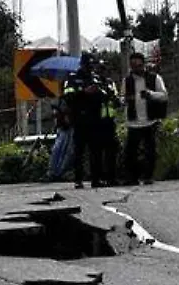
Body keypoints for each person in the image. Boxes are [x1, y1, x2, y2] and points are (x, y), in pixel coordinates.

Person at [123, 52, 168, 185]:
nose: (136, 68)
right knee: (131, 152)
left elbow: (164, 96)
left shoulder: (155, 78)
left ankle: (148, 176)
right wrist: (124, 99)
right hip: (133, 121)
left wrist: (151, 94)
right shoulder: (127, 80)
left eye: (138, 65)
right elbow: (121, 96)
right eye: (133, 66)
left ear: (143, 64)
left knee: (150, 151)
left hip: (150, 120)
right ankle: (132, 178)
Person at [61, 52, 104, 189]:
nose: (90, 68)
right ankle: (78, 179)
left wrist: (98, 92)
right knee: (79, 151)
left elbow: (104, 95)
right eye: (88, 65)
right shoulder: (72, 78)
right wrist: (84, 92)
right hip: (79, 119)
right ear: (82, 64)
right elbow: (68, 96)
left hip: (94, 119)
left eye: (92, 65)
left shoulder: (96, 78)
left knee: (96, 151)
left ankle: (96, 179)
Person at [93, 60, 123, 186]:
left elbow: (117, 101)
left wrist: (112, 96)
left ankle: (111, 177)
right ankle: (97, 178)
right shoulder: (93, 83)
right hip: (97, 121)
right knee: (97, 152)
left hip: (109, 121)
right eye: (100, 69)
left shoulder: (110, 83)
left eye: (104, 69)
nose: (103, 72)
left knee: (111, 150)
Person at [47, 100, 74, 182]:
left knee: (63, 151)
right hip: (64, 127)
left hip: (67, 126)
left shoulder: (62, 100)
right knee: (59, 150)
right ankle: (55, 173)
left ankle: (57, 173)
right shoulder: (62, 101)